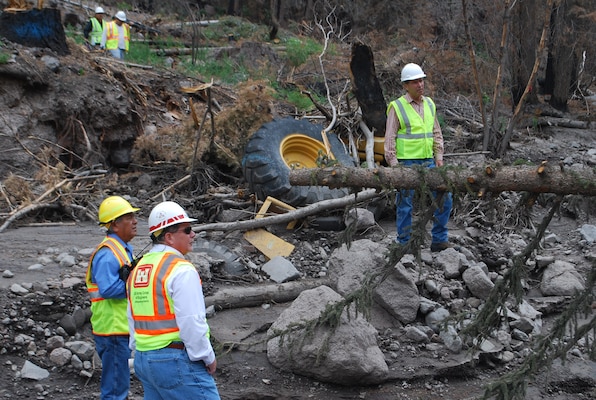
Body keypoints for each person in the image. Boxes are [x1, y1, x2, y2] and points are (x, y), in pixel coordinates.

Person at [127, 201, 220, 400]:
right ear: (169, 237)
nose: (193, 234)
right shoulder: (180, 269)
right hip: (174, 360)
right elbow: (191, 321)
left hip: (144, 359)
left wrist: (137, 353)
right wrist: (206, 356)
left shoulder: (138, 270)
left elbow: (132, 317)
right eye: (187, 230)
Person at [384, 63, 454, 253]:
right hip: (406, 163)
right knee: (405, 204)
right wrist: (394, 165)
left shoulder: (430, 104)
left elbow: (436, 132)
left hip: (429, 161)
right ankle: (404, 243)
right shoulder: (397, 107)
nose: (420, 85)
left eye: (421, 80)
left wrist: (439, 157)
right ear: (405, 85)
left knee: (445, 197)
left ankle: (439, 239)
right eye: (415, 82)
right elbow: (390, 138)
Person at [86, 195, 140, 400]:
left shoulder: (122, 249)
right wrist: (132, 283)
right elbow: (108, 290)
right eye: (128, 217)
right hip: (112, 329)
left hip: (117, 328)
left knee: (118, 384)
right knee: (115, 389)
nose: (135, 221)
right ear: (115, 224)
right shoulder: (108, 253)